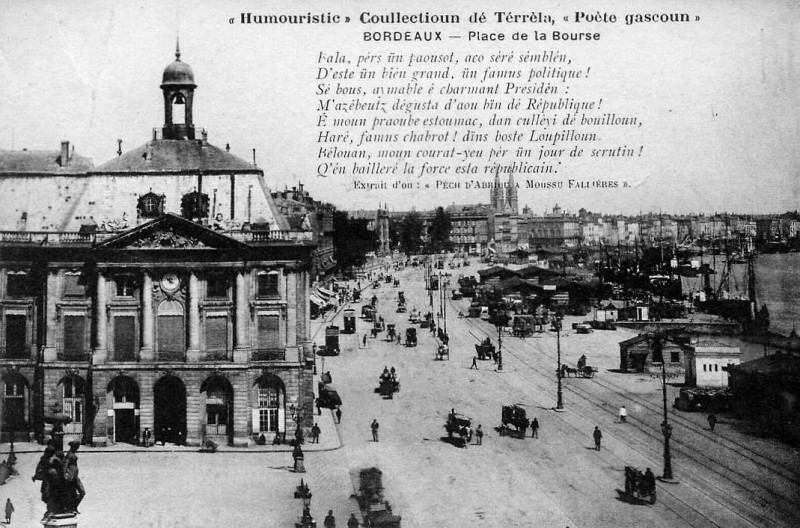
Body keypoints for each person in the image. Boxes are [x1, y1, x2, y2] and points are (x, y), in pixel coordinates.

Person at [64, 441, 85, 514]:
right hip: (71, 477)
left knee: (82, 492)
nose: (77, 449)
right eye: (76, 447)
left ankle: (74, 507)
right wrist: (66, 475)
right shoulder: (69, 455)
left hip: (75, 476)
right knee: (74, 493)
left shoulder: (72, 454)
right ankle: (72, 508)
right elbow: (65, 465)